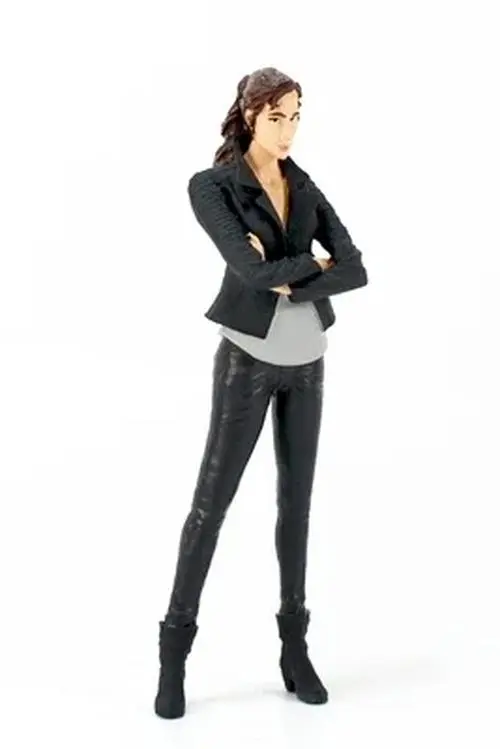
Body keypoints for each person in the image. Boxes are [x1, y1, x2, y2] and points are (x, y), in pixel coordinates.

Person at [154, 66, 368, 719]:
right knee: (210, 505)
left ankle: (294, 651)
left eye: (296, 115)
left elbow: (356, 268)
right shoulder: (213, 186)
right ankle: (173, 654)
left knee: (296, 506)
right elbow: (248, 271)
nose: (288, 130)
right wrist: (311, 265)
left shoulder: (303, 183)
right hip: (247, 360)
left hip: (308, 360)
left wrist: (293, 274)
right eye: (277, 117)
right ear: (250, 116)